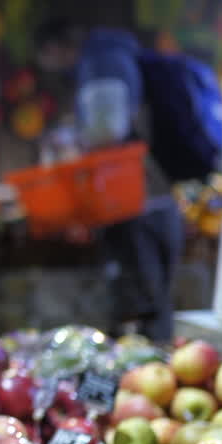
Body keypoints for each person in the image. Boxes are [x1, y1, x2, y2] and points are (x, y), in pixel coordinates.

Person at [35, 17, 184, 341]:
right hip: (154, 198)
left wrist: (69, 141)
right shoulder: (117, 54)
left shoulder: (100, 60)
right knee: (152, 302)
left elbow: (106, 130)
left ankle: (147, 370)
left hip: (133, 203)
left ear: (54, 48)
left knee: (142, 310)